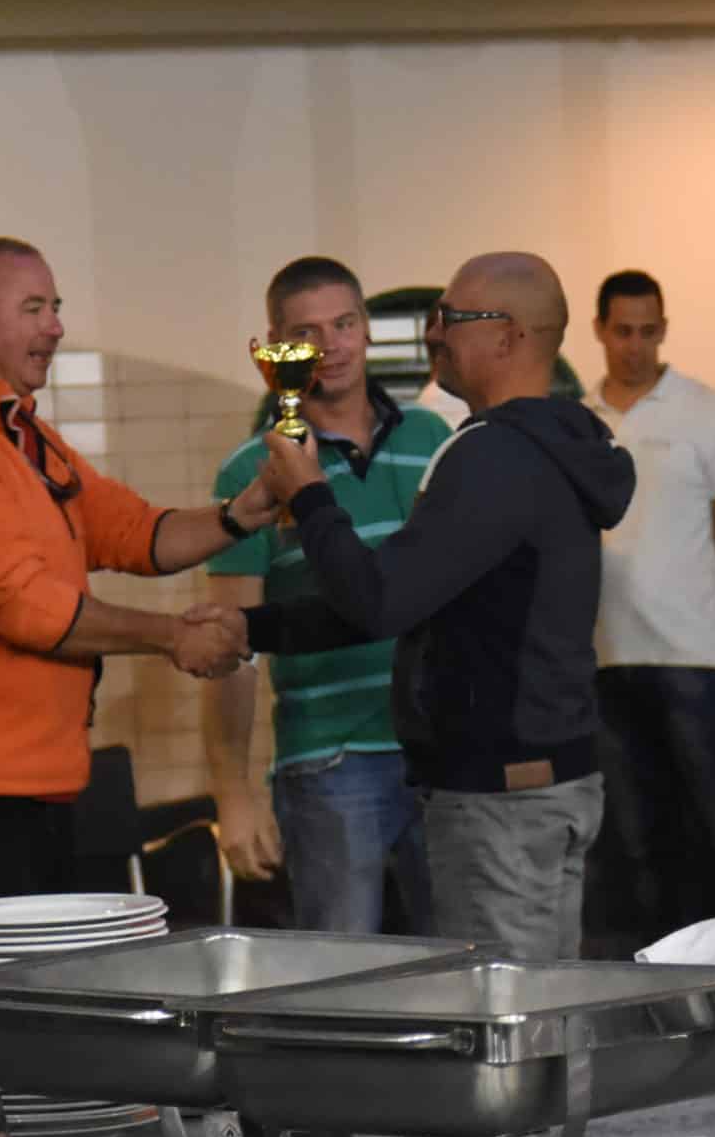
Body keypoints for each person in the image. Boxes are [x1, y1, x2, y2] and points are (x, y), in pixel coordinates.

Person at [229, 251, 635, 960]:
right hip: (537, 786)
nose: (433, 332)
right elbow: (416, 597)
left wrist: (310, 496)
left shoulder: (493, 456)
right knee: (540, 1000)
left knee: (509, 1010)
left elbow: (380, 601)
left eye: (450, 317)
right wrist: (247, 625)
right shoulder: (538, 445)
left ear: (508, 335)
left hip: (503, 801)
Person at [0, 237, 268, 905]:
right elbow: (19, 603)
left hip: (32, 784)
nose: (56, 327)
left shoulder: (10, 428)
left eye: (57, 307)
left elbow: (129, 530)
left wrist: (243, 513)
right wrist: (171, 636)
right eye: (34, 308)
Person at [201, 256, 450, 932]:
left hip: (442, 753)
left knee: (463, 964)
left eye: (343, 323)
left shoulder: (434, 440)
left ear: (367, 328)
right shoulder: (253, 470)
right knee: (343, 976)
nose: (331, 345)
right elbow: (229, 643)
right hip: (329, 763)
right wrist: (233, 794)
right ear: (275, 347)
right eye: (306, 333)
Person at [586, 267, 715, 939]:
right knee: (633, 843)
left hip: (692, 659)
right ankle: (656, 976)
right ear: (599, 330)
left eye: (648, 332)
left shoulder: (708, 412)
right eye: (623, 331)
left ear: (664, 330)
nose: (635, 347)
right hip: (605, 663)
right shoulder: (580, 422)